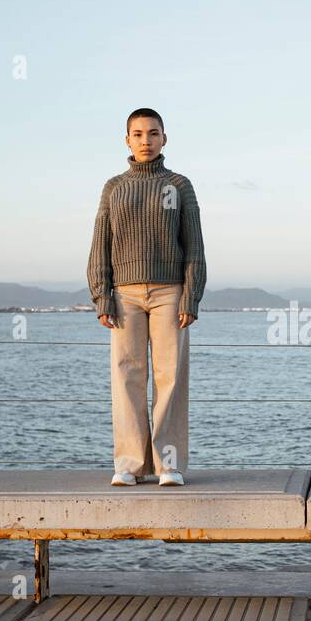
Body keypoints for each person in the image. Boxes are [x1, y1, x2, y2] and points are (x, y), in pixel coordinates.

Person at [87, 108, 206, 486]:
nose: (145, 141)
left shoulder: (180, 185)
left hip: (170, 292)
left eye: (153, 134)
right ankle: (130, 464)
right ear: (127, 140)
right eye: (137, 134)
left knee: (170, 378)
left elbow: (194, 248)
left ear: (164, 139)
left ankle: (168, 464)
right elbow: (99, 246)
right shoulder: (113, 188)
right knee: (127, 377)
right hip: (125, 295)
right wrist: (101, 295)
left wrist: (192, 295)